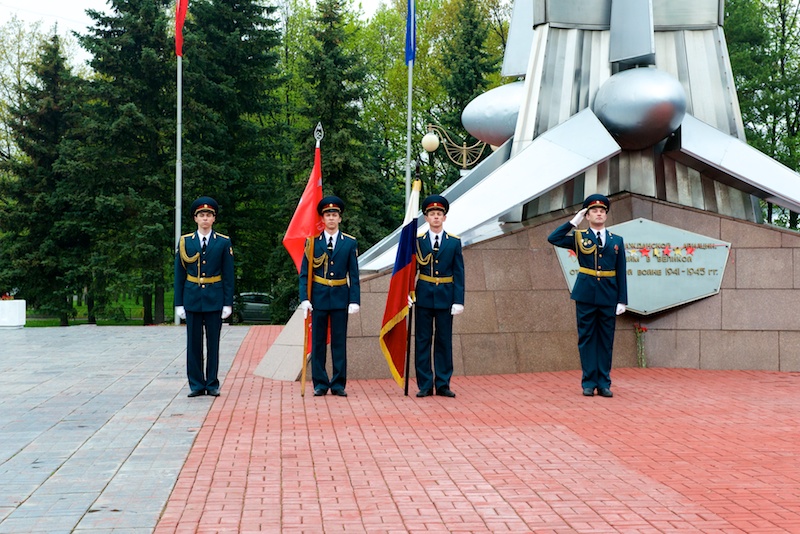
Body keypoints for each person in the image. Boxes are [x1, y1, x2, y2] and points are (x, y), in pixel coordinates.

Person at [547, 194, 627, 398]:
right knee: (587, 339)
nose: (598, 214)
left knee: (606, 340)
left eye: (602, 211)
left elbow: (621, 271)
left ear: (606, 215)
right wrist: (574, 221)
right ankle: (589, 382)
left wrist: (622, 300)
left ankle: (604, 383)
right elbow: (553, 238)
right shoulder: (579, 237)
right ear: (587, 215)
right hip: (586, 295)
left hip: (608, 295)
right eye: (594, 211)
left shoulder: (616, 240)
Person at [299, 196, 360, 397]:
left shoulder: (349, 243)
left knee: (338, 342)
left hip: (341, 296)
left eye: (334, 215)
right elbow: (305, 274)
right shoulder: (312, 243)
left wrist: (354, 300)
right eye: (327, 215)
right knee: (318, 342)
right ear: (322, 219)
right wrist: (304, 298)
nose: (331, 218)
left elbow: (354, 274)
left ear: (340, 218)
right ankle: (320, 383)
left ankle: (338, 383)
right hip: (319, 297)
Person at [174, 197, 234, 398]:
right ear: (195, 218)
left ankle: (212, 383)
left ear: (214, 219)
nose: (205, 218)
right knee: (194, 343)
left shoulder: (223, 242)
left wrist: (228, 303)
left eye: (209, 215)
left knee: (213, 343)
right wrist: (178, 303)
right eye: (201, 215)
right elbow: (179, 274)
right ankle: (196, 384)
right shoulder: (185, 242)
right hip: (192, 297)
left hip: (214, 297)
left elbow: (228, 275)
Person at [412, 194, 465, 398]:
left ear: (444, 217)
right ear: (426, 218)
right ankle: (425, 384)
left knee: (444, 341)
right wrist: (409, 292)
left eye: (439, 213)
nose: (435, 217)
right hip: (424, 295)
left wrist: (458, 300)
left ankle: (443, 383)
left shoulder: (453, 242)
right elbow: (411, 270)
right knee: (423, 341)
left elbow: (459, 272)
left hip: (445, 296)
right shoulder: (418, 241)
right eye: (432, 213)